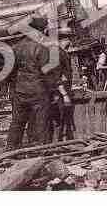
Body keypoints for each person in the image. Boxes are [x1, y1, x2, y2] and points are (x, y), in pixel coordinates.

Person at [6, 17, 67, 150]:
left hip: (19, 91)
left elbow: (9, 72)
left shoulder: (17, 47)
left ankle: (11, 149)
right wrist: (55, 92)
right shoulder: (43, 47)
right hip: (38, 92)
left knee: (17, 122)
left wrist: (12, 89)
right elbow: (48, 73)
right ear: (43, 30)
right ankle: (36, 151)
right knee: (40, 123)